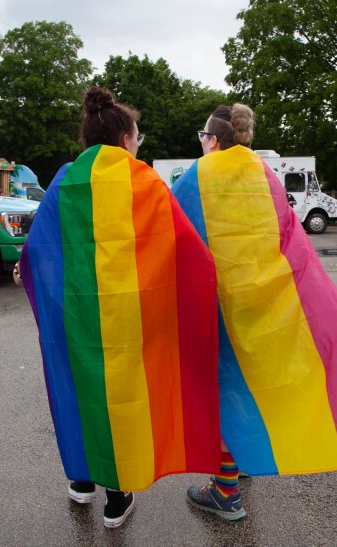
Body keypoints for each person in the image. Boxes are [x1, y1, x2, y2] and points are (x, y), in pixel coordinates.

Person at [171, 104, 337, 521]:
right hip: (264, 300)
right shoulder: (264, 174)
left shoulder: (197, 176)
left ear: (212, 139)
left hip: (218, 304)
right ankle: (241, 458)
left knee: (223, 387)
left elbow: (173, 233)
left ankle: (226, 491)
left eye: (202, 138)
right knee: (250, 386)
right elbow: (288, 237)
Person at [18, 87, 222, 529]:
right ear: (125, 138)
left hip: (75, 314)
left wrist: (41, 284)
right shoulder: (142, 179)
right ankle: (116, 496)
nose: (137, 144)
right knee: (121, 402)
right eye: (137, 136)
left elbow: (39, 246)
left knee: (80, 390)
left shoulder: (66, 178)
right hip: (128, 317)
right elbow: (181, 246)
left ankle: (82, 481)